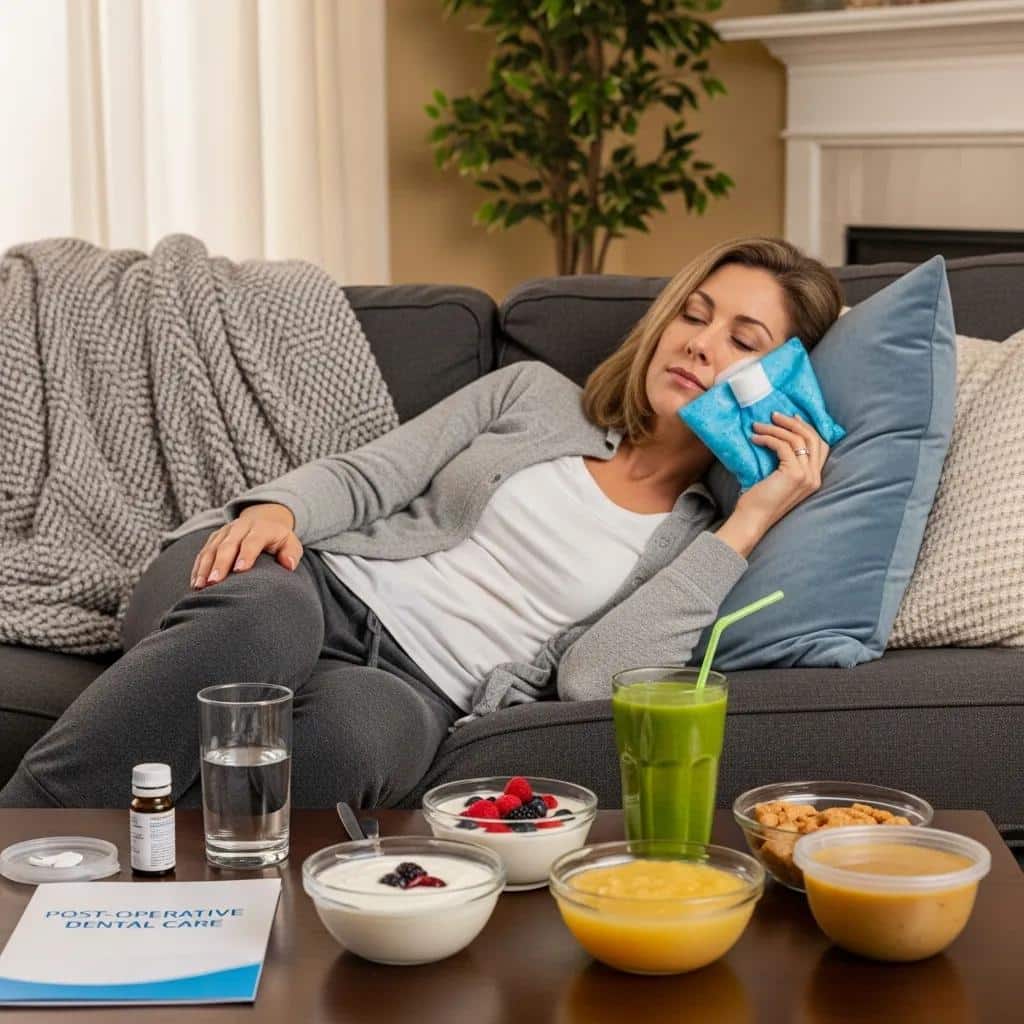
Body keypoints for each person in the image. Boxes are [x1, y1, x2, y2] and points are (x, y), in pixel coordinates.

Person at [0, 236, 843, 811]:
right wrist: (279, 507)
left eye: (743, 339)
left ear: (781, 382)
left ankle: (163, 910)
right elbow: (377, 474)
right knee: (265, 622)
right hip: (305, 581)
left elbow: (595, 676)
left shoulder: (697, 546)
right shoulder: (536, 396)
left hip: (416, 688)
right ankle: (26, 837)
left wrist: (752, 520)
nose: (698, 344)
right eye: (693, 315)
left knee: (361, 740)